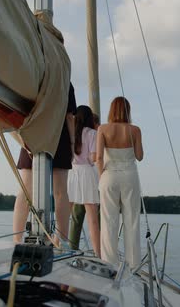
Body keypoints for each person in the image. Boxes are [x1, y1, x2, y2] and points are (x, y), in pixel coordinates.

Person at [13, 83, 76, 246]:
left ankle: (17, 239)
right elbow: (70, 116)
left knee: (26, 190)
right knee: (60, 191)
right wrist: (73, 143)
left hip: (32, 132)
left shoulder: (34, 71)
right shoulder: (64, 81)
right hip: (59, 134)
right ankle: (61, 239)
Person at [97, 97, 143, 268]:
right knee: (132, 220)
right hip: (130, 176)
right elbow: (139, 156)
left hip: (109, 176)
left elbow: (99, 157)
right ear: (127, 110)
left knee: (109, 221)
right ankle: (133, 266)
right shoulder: (135, 130)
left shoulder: (103, 129)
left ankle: (110, 264)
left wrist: (100, 177)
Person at [67, 106, 100, 256]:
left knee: (65, 213)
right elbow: (93, 157)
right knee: (92, 217)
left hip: (71, 172)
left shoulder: (70, 132)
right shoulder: (93, 133)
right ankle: (98, 254)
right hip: (87, 172)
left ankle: (58, 246)